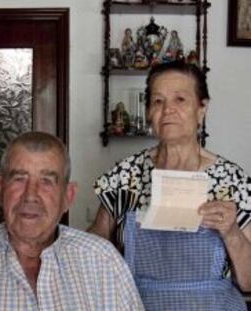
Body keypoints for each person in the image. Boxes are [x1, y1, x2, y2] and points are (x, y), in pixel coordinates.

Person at [89, 61, 251, 310]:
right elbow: (93, 252)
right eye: (158, 101)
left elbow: (249, 282)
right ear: (149, 112)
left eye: (180, 99)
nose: (168, 110)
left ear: (201, 108)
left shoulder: (232, 181)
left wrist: (231, 232)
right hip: (136, 305)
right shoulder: (124, 175)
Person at [0, 131, 143, 310]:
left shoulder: (103, 262)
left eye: (47, 181)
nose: (30, 195)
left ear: (68, 197)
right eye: (19, 178)